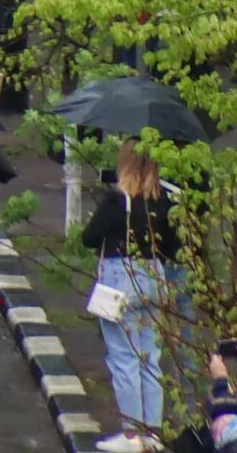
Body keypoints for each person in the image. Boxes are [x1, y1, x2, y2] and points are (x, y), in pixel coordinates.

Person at [82, 144, 178, 453]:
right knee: (150, 357)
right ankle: (153, 433)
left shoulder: (116, 201)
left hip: (119, 278)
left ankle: (132, 435)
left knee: (123, 358)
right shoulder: (163, 200)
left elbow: (89, 238)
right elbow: (175, 247)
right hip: (154, 278)